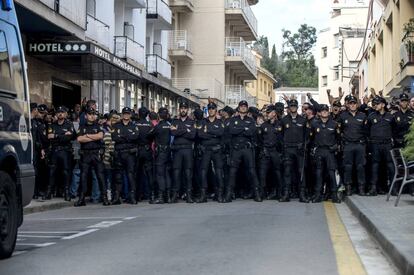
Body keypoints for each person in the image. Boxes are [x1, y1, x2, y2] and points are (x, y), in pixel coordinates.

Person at [225, 100, 262, 202]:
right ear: (238, 108)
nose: (243, 108)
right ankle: (228, 194)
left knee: (252, 171)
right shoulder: (233, 120)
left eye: (245, 106)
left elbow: (251, 132)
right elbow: (232, 130)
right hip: (236, 149)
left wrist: (240, 129)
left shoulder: (251, 120)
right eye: (241, 106)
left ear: (247, 108)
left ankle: (257, 194)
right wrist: (244, 128)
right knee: (232, 172)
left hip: (247, 149)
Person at [75, 107, 110, 206]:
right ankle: (81, 199)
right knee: (83, 176)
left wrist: (87, 136)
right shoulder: (81, 126)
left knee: (100, 176)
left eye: (93, 114)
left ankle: (104, 198)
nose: (92, 116)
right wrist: (92, 137)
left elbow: (100, 136)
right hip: (85, 154)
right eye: (90, 114)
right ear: (86, 116)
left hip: (96, 153)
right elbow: (79, 139)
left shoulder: (98, 126)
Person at [310, 104, 341, 203]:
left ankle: (334, 196)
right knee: (319, 174)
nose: (324, 112)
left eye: (326, 110)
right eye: (322, 111)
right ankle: (318, 195)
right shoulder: (315, 124)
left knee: (331, 174)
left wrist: (336, 147)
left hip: (330, 152)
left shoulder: (334, 124)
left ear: (328, 112)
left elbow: (339, 138)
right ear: (319, 113)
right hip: (319, 151)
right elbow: (311, 138)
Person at [280, 99, 309, 203]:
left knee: (301, 172)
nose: (293, 107)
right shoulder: (284, 120)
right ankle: (286, 194)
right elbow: (280, 135)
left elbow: (307, 136)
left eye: (294, 106)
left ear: (297, 107)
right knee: (287, 172)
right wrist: (283, 145)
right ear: (289, 107)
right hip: (288, 149)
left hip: (299, 150)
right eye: (291, 106)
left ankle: (302, 194)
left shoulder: (303, 120)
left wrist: (304, 145)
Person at [338, 95, 367, 196]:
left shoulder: (363, 116)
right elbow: (339, 131)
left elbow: (366, 131)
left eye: (354, 103)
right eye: (351, 103)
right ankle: (348, 188)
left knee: (360, 167)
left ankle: (361, 188)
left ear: (357, 104)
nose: (353, 105)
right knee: (348, 167)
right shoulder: (343, 116)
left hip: (359, 145)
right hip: (348, 145)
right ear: (348, 105)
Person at [366, 96, 395, 196]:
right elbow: (367, 130)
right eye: (374, 104)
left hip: (387, 144)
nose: (375, 105)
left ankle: (393, 188)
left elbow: (394, 129)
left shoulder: (390, 117)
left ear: (383, 105)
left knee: (390, 165)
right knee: (375, 166)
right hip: (375, 144)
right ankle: (373, 188)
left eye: (377, 103)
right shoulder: (371, 116)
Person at [197, 102, 225, 203]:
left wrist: (208, 131)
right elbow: (200, 134)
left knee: (218, 172)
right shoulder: (203, 122)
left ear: (216, 110)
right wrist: (214, 134)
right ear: (208, 110)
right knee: (203, 172)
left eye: (213, 109)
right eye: (210, 109)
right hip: (206, 150)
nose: (211, 110)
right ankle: (203, 195)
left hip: (216, 150)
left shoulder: (219, 121)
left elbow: (221, 133)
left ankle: (220, 195)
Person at [46, 106, 75, 200]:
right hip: (55, 150)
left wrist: (56, 136)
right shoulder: (52, 125)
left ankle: (66, 192)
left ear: (65, 114)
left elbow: (70, 137)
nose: (60, 114)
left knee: (66, 172)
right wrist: (62, 135)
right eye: (58, 112)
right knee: (52, 172)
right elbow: (49, 136)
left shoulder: (69, 124)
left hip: (65, 151)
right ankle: (49, 192)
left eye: (62, 112)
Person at [111, 107, 139, 204]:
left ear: (130, 115)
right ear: (122, 115)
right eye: (124, 113)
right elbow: (114, 137)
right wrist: (128, 137)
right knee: (118, 176)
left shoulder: (133, 125)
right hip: (119, 153)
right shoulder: (116, 125)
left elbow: (135, 137)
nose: (126, 115)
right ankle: (117, 197)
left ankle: (132, 196)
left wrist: (122, 136)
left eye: (128, 113)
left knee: (131, 175)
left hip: (129, 154)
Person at [170, 102, 196, 203]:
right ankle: (175, 195)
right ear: (179, 109)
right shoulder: (174, 121)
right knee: (176, 173)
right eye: (181, 108)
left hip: (188, 149)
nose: (183, 110)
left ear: (188, 110)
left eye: (185, 108)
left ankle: (189, 195)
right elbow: (172, 132)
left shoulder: (192, 121)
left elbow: (193, 135)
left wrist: (179, 131)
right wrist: (186, 130)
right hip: (177, 150)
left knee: (188, 173)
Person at [257, 105, 283, 200]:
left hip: (275, 152)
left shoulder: (280, 125)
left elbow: (282, 140)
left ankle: (279, 193)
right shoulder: (263, 125)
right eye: (267, 112)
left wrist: (280, 153)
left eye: (269, 112)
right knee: (262, 173)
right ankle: (261, 193)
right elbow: (259, 140)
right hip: (265, 152)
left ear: (274, 113)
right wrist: (263, 149)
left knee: (277, 173)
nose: (267, 114)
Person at [151, 107, 172, 204]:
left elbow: (149, 135)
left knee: (160, 174)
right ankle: (168, 196)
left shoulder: (158, 126)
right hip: (168, 151)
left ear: (159, 115)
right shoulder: (169, 125)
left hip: (161, 152)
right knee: (167, 174)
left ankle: (161, 197)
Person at [135, 107, 155, 202]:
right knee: (149, 173)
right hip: (147, 150)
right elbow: (152, 137)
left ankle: (137, 195)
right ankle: (151, 194)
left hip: (138, 150)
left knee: (137, 173)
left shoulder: (135, 124)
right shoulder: (150, 125)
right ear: (147, 115)